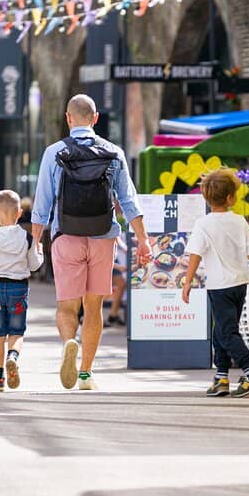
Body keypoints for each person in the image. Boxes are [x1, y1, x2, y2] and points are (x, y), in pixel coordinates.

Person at [32, 94, 151, 391]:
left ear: (68, 118)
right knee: (94, 306)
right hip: (102, 237)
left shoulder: (55, 152)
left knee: (66, 307)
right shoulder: (113, 152)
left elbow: (42, 204)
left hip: (66, 236)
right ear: (95, 118)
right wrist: (144, 240)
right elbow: (128, 200)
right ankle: (85, 373)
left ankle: (69, 343)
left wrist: (35, 241)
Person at [181, 168, 249, 398]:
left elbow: (195, 255)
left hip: (219, 287)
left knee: (227, 333)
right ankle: (221, 377)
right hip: (240, 285)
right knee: (222, 332)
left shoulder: (203, 224)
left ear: (206, 198)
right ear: (231, 198)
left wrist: (187, 282)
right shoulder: (239, 221)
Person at [0, 190, 43, 391]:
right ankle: (13, 356)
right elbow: (34, 266)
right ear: (19, 213)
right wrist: (41, 253)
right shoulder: (26, 238)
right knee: (16, 332)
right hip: (18, 289)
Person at [107, 235, 128, 327]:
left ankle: (113, 316)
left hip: (111, 258)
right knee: (97, 292)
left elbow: (117, 239)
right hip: (102, 259)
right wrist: (119, 267)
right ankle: (86, 315)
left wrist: (127, 249)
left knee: (121, 284)